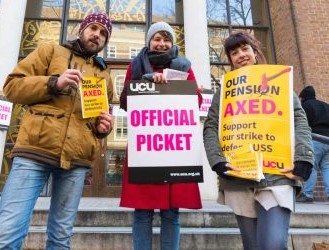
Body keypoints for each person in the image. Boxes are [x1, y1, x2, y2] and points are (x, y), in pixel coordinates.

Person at [0, 13, 114, 249]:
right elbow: (12, 87)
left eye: (104, 34)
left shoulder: (104, 75)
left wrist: (103, 129)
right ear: (82, 29)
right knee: (8, 236)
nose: (97, 35)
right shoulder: (50, 51)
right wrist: (53, 83)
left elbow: (99, 120)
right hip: (33, 152)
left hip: (76, 161)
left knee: (60, 240)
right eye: (94, 29)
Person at [203, 31, 314, 250]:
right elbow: (211, 127)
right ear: (230, 60)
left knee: (272, 244)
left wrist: (304, 158)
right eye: (234, 52)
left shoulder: (280, 83)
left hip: (277, 176)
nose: (240, 55)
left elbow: (299, 120)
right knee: (252, 246)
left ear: (255, 52)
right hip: (239, 177)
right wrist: (218, 161)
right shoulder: (224, 92)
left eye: (245, 49)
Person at [119, 22, 202, 250]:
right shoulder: (135, 66)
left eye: (167, 39)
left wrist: (173, 84)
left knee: (171, 213)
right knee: (142, 213)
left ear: (173, 43)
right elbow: (125, 102)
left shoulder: (184, 67)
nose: (162, 43)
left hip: (172, 152)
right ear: (149, 41)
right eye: (157, 38)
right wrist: (144, 83)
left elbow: (195, 102)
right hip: (145, 151)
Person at [296, 86, 329, 202]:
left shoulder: (305, 106)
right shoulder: (326, 105)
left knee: (312, 166)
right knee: (327, 167)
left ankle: (307, 194)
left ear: (303, 97)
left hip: (315, 139)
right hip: (328, 140)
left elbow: (303, 124)